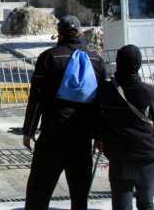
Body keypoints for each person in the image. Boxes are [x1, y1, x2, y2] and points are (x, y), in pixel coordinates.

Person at [22, 15, 106, 210]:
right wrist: (99, 135)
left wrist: (29, 130)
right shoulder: (96, 60)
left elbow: (37, 98)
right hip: (82, 137)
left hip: (53, 134)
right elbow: (101, 103)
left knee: (39, 191)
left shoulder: (49, 57)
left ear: (59, 34)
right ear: (80, 33)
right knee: (79, 194)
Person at [101, 45, 154, 210]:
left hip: (118, 158)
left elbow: (99, 120)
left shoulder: (107, 91)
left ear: (118, 63)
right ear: (138, 64)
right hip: (146, 158)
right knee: (146, 203)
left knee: (121, 205)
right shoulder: (149, 92)